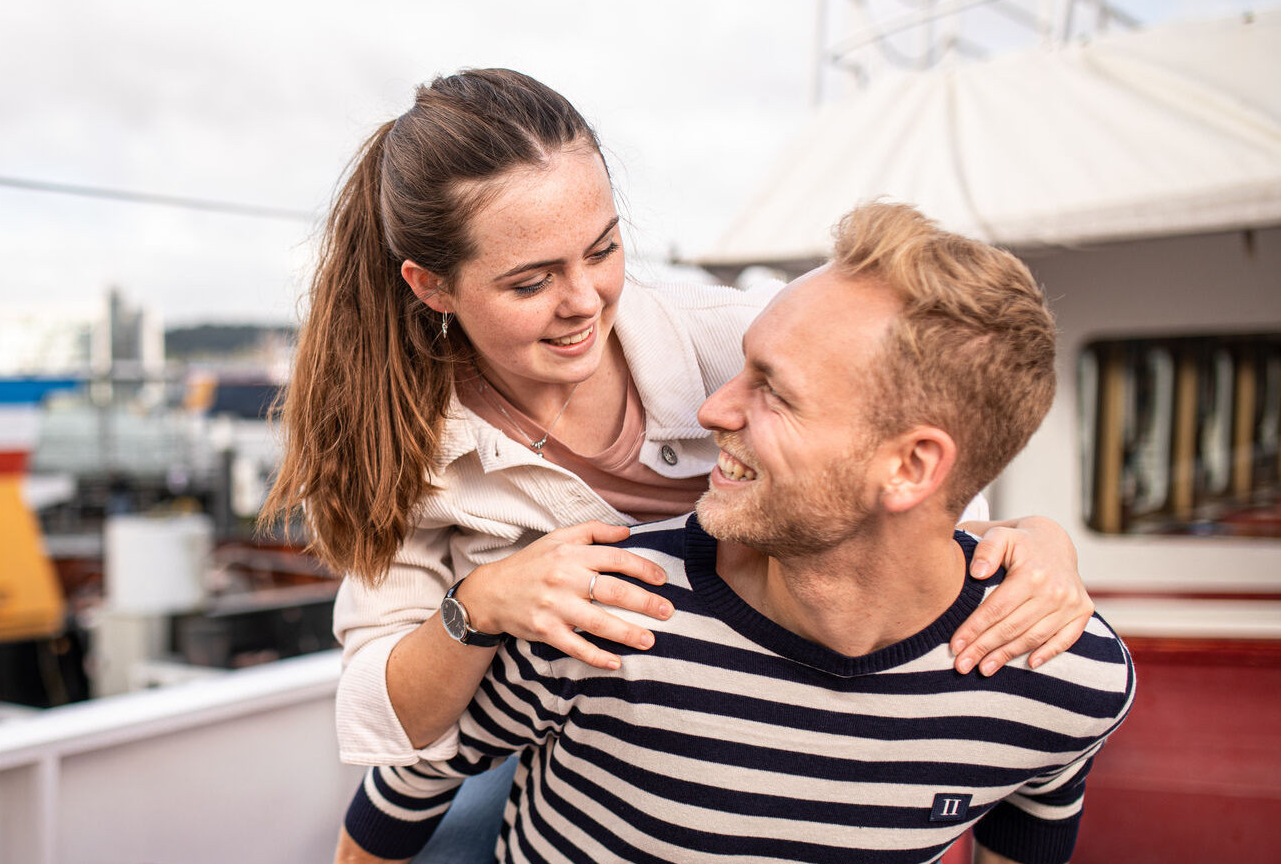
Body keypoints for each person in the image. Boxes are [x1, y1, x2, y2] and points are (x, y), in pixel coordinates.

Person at [263, 68, 1094, 858]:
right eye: (530, 282)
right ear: (433, 285)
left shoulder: (744, 335)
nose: (584, 300)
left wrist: (1038, 541)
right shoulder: (402, 443)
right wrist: (479, 604)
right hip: (535, 719)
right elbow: (397, 721)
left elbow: (915, 495)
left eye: (602, 250)